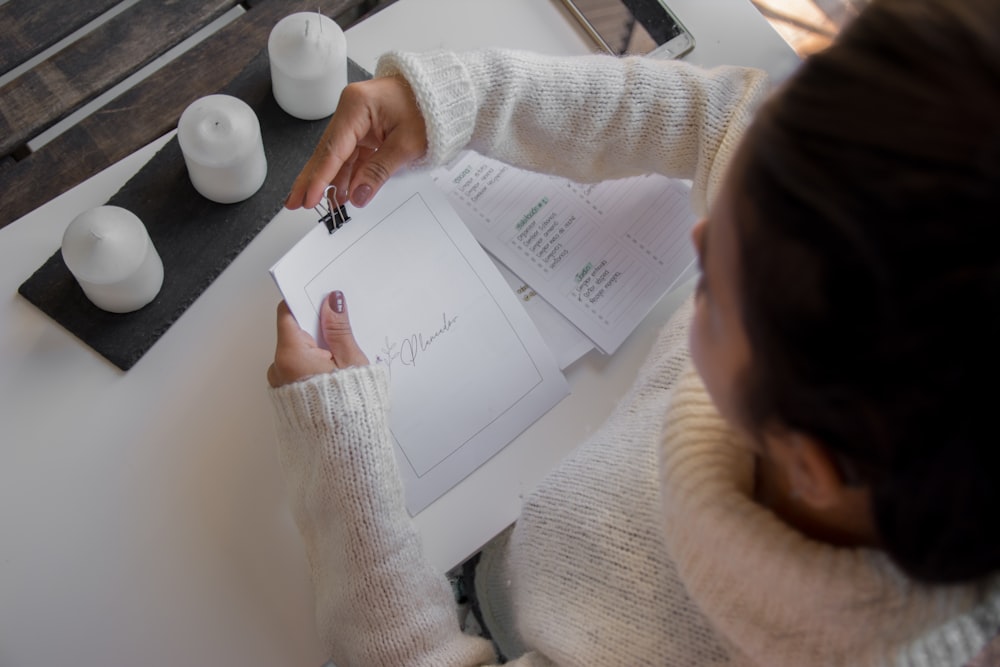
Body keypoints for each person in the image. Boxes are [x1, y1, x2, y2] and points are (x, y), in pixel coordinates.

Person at [266, 0, 1000, 664]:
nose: (702, 237)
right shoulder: (882, 288)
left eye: (719, 287)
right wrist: (461, 101)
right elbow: (721, 118)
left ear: (808, 461)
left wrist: (342, 457)